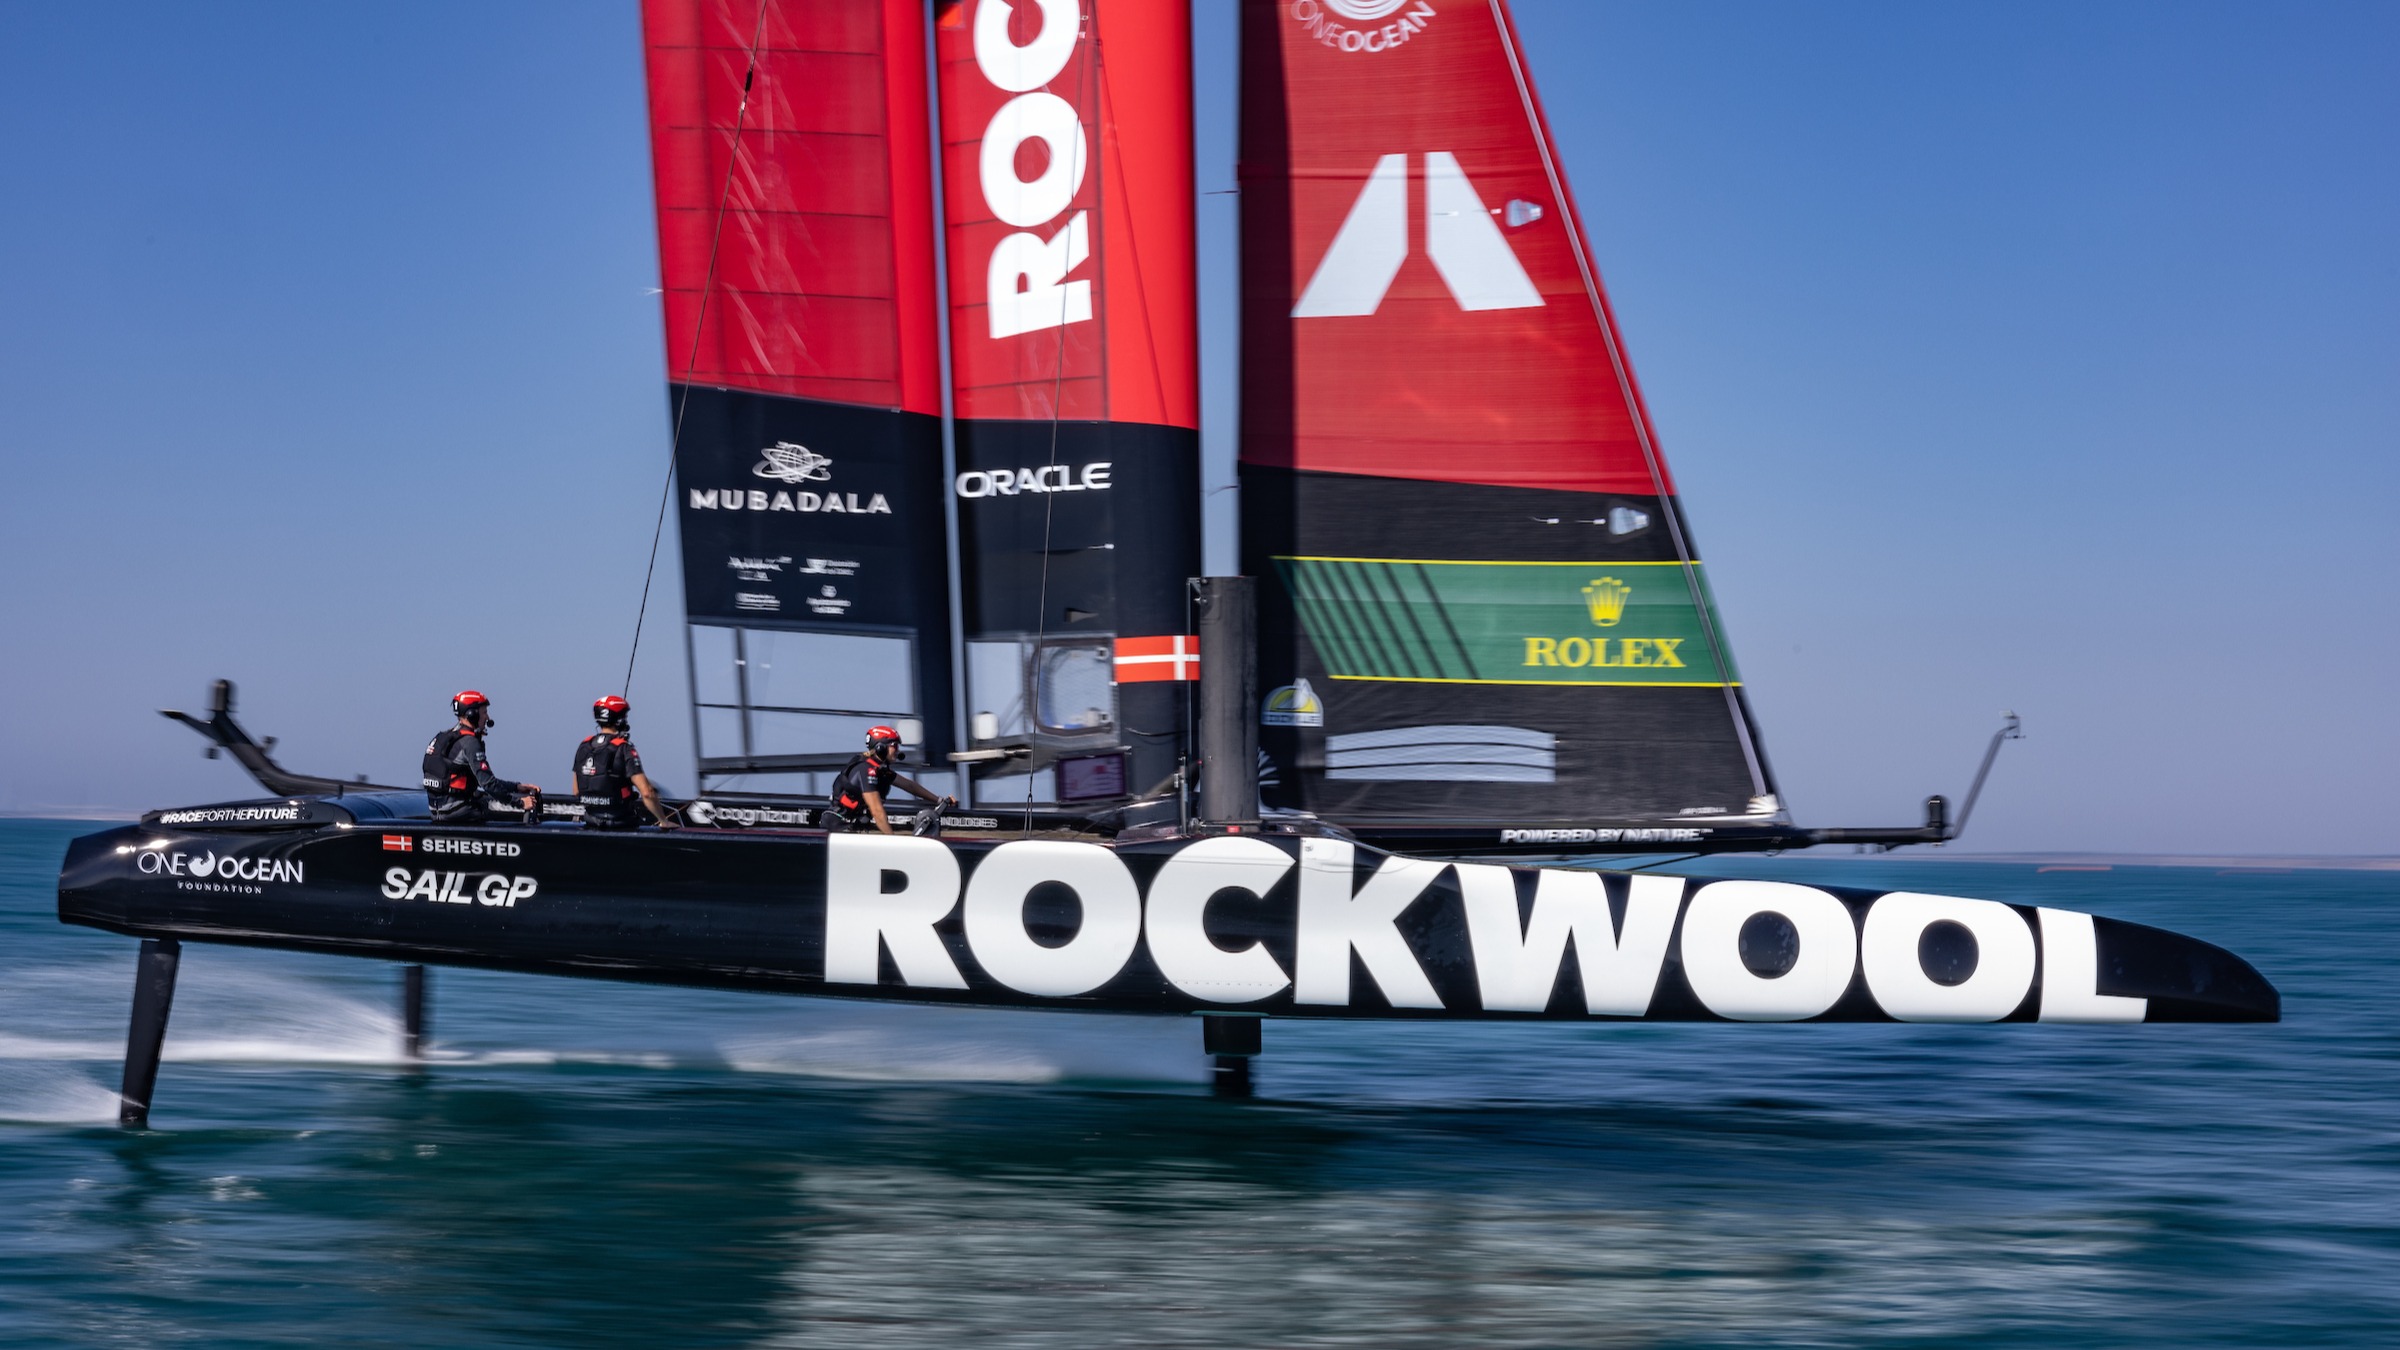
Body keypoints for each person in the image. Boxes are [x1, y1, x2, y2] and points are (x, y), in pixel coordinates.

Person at [422, 691, 539, 823]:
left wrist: (516, 787)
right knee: (494, 809)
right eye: (484, 712)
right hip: (458, 812)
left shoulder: (443, 738)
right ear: (472, 714)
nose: (487, 717)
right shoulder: (470, 743)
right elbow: (488, 784)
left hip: (437, 812)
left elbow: (482, 779)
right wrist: (520, 802)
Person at [825, 725, 955, 833]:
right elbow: (877, 812)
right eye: (894, 746)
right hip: (838, 826)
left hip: (850, 826)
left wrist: (939, 800)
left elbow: (910, 786)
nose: (897, 751)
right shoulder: (867, 770)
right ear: (880, 747)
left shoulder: (880, 771)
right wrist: (893, 843)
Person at [574, 695, 676, 830]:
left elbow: (577, 790)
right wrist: (663, 821)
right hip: (621, 824)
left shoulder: (584, 746)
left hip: (590, 822)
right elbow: (647, 793)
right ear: (619, 719)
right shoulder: (624, 748)